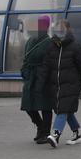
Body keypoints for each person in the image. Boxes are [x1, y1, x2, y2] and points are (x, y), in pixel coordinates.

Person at [44, 20, 81, 148]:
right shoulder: (51, 46)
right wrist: (41, 84)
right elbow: (46, 66)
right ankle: (77, 134)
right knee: (66, 111)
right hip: (56, 86)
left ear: (68, 30)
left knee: (62, 109)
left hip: (71, 85)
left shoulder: (75, 46)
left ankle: (55, 135)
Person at [20, 15, 53, 144]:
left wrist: (45, 77)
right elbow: (26, 59)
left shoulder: (49, 42)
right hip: (30, 78)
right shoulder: (30, 41)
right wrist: (25, 72)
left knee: (46, 106)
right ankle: (40, 126)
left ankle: (45, 133)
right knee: (28, 106)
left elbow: (51, 63)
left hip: (44, 78)